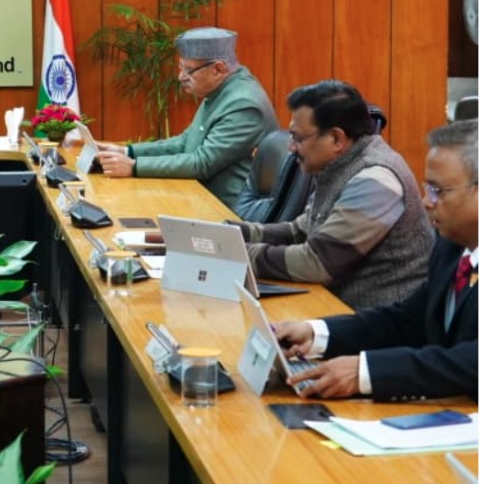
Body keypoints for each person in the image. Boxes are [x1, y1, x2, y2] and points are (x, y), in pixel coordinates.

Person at [274, 120, 478, 401]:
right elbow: (409, 321)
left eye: (437, 191)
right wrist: (317, 333)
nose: (426, 202)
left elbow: (472, 361)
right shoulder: (452, 248)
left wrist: (365, 372)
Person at [235, 80, 433, 309]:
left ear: (337, 139)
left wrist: (240, 253)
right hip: (340, 306)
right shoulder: (338, 165)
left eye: (298, 138)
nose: (290, 147)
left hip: (378, 318)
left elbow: (318, 262)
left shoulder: (376, 180)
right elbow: (302, 230)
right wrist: (235, 233)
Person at [95, 27, 278, 209]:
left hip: (226, 211)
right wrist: (126, 152)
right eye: (181, 67)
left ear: (218, 69)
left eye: (189, 70)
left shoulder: (243, 104)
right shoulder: (221, 89)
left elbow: (202, 163)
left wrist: (134, 167)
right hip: (199, 197)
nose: (181, 77)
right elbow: (185, 142)